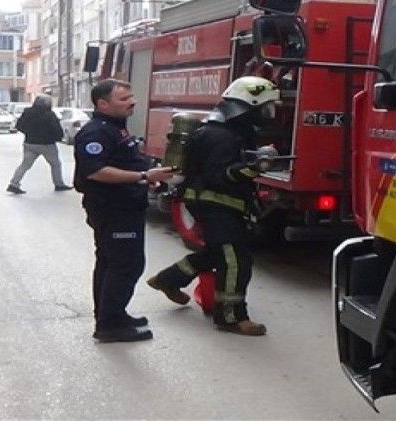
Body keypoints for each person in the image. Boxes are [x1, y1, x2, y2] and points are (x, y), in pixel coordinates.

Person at [147, 76, 281, 336]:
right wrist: (255, 167)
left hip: (213, 203)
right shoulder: (222, 137)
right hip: (216, 205)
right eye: (265, 107)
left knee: (216, 253)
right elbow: (218, 176)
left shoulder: (224, 132)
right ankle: (231, 317)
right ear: (248, 106)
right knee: (235, 261)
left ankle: (168, 279)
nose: (268, 114)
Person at [74, 79, 174, 343]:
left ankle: (112, 315)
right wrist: (143, 175)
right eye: (124, 99)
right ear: (103, 104)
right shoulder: (96, 133)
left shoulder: (116, 128)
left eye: (131, 97)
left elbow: (125, 162)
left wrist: (145, 175)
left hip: (125, 206)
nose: (132, 102)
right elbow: (95, 171)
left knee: (111, 263)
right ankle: (109, 325)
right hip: (113, 209)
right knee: (125, 265)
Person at [6, 95, 71, 194]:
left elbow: (19, 125)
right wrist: (57, 138)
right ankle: (59, 184)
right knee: (55, 164)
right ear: (47, 104)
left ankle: (13, 184)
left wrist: (29, 133)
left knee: (25, 165)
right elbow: (56, 129)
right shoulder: (49, 114)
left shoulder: (27, 112)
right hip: (47, 144)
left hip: (30, 143)